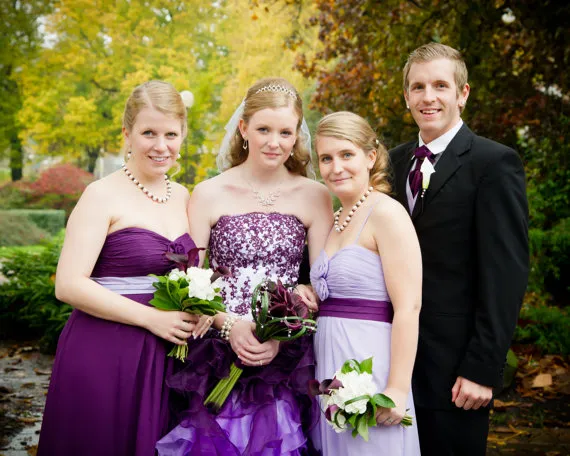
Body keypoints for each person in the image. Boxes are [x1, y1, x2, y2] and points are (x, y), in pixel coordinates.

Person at [156, 77, 332, 455]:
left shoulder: (316, 195)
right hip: (216, 351)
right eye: (264, 129)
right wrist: (230, 325)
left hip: (283, 354)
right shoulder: (208, 193)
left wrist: (282, 329)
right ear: (243, 128)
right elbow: (191, 278)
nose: (275, 142)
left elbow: (318, 283)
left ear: (296, 134)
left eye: (286, 132)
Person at [37, 81, 200, 456]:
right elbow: (68, 285)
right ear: (126, 134)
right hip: (106, 352)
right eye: (148, 133)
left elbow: (192, 271)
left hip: (169, 357)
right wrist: (151, 319)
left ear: (183, 135)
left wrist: (199, 307)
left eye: (170, 134)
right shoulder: (101, 195)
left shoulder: (184, 196)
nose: (161, 146)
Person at [389, 43, 529, 456]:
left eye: (440, 85)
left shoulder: (494, 163)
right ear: (406, 97)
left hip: (455, 370)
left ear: (462, 94)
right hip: (391, 363)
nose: (428, 97)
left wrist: (482, 368)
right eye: (418, 87)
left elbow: (505, 275)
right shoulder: (391, 163)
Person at [309, 111, 422, 455]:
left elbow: (408, 307)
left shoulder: (386, 214)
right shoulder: (336, 218)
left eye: (346, 155)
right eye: (326, 158)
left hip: (370, 362)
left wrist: (397, 389)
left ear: (370, 157)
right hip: (329, 363)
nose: (335, 167)